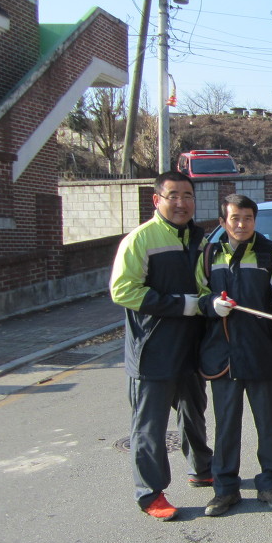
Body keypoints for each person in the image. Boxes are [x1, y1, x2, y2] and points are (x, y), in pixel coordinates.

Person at [110, 171, 213, 521]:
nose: (181, 203)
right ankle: (150, 493)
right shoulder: (141, 239)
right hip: (152, 350)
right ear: (157, 200)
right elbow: (122, 290)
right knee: (149, 426)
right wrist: (180, 305)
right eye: (173, 196)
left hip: (191, 346)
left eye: (188, 196)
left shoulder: (200, 240)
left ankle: (201, 468)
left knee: (193, 412)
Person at [196, 194, 272, 516]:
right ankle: (225, 489)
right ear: (222, 222)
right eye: (235, 218)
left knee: (267, 424)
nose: (241, 224)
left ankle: (270, 484)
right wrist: (210, 304)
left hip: (262, 352)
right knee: (226, 426)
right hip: (223, 354)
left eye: (248, 218)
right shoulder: (209, 255)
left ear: (255, 221)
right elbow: (199, 294)